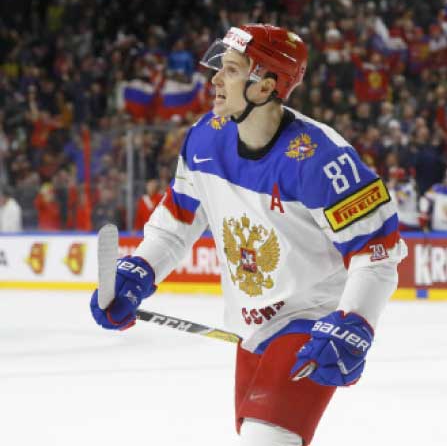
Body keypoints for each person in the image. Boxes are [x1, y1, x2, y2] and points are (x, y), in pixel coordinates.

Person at [89, 24, 406, 446]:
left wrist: (355, 322)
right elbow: (179, 219)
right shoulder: (205, 137)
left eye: (232, 70)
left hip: (311, 323)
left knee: (265, 439)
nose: (216, 80)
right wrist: (140, 268)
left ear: (265, 87)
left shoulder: (321, 160)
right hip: (249, 328)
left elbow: (377, 252)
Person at [386, 166, 420, 231]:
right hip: (402, 219)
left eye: (393, 178)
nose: (391, 180)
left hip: (408, 220)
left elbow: (400, 200)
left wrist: (392, 188)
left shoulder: (409, 188)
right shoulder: (397, 188)